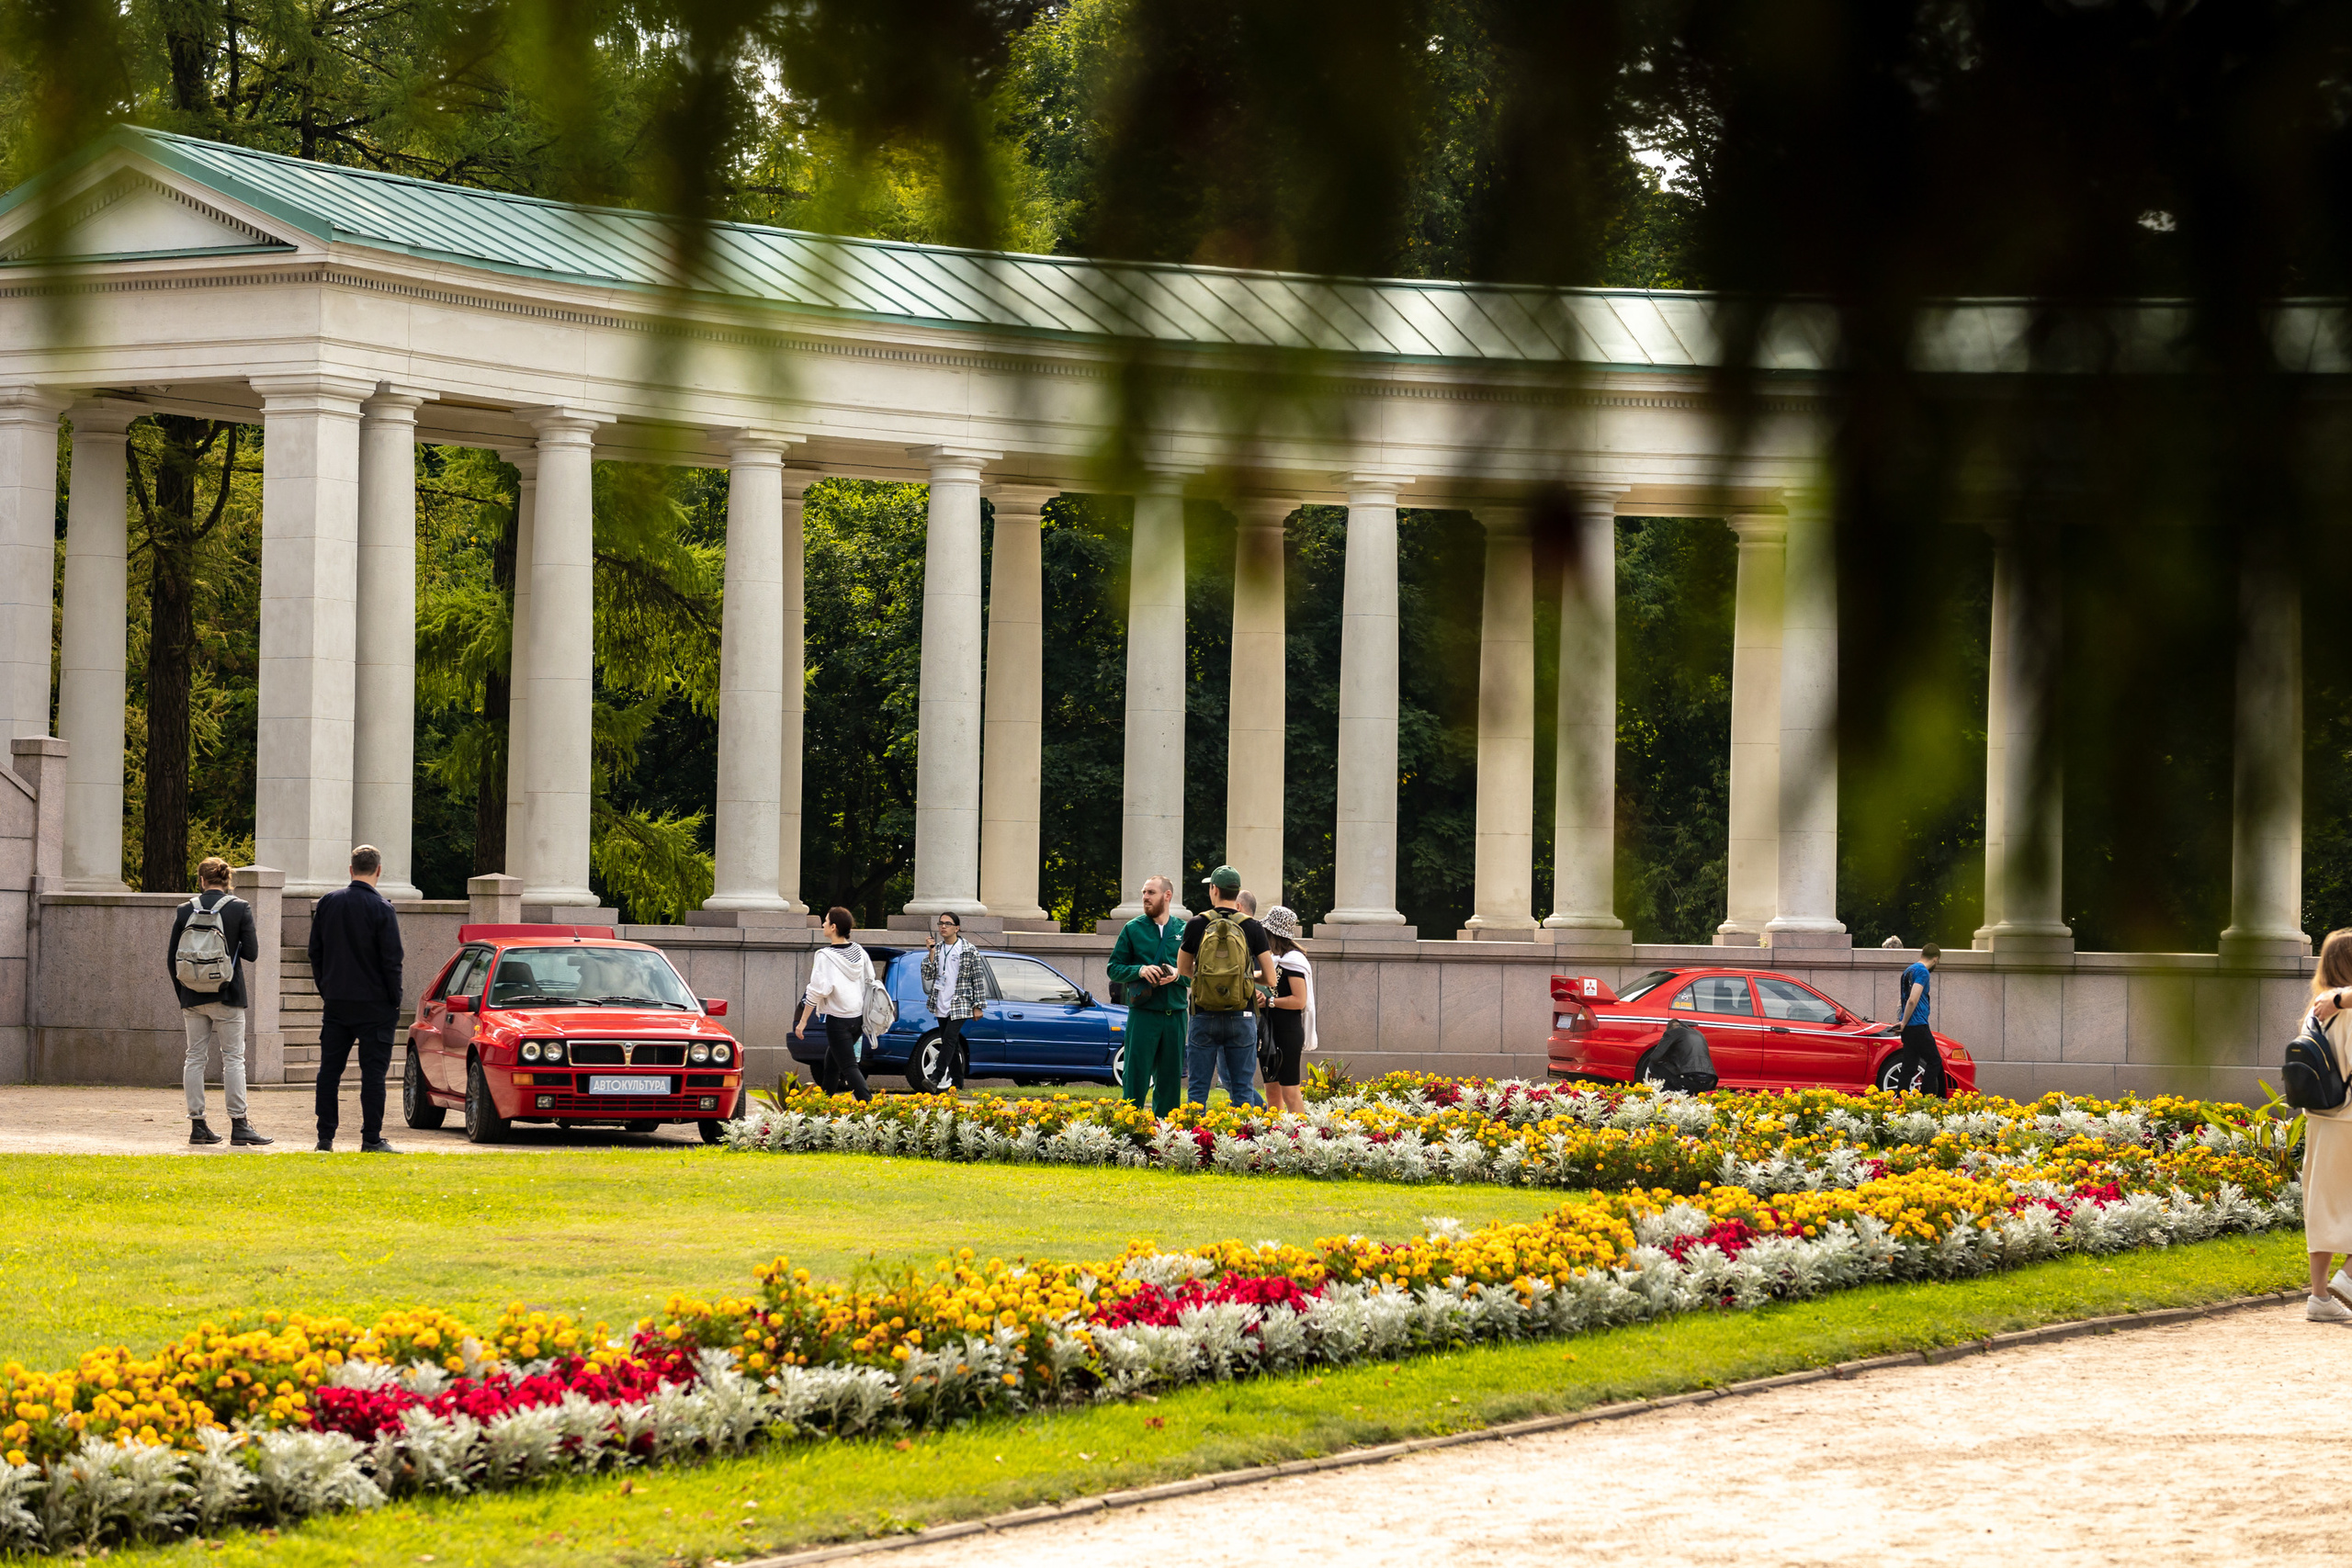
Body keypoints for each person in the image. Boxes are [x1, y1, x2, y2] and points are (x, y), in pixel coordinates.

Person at [168, 856, 269, 1146]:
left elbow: (171, 959)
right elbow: (251, 953)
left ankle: (198, 1126)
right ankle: (240, 1125)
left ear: (201, 880)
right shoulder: (239, 908)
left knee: (194, 1058)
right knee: (233, 1058)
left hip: (192, 996)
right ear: (227, 880)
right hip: (227, 995)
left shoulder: (185, 909)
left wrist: (185, 996)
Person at [310, 845, 405, 1153]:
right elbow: (392, 960)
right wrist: (394, 999)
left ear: (351, 869)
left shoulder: (328, 903)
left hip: (337, 1001)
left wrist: (327, 988)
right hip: (376, 1004)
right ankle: (371, 1138)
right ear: (379, 870)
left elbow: (316, 952)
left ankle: (325, 1138)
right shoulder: (383, 909)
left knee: (329, 1071)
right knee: (373, 1075)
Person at [1178, 864, 1278, 1108]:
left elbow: (1183, 969)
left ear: (1214, 889)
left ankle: (1193, 1143)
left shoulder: (1196, 924)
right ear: (1237, 892)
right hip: (1241, 1015)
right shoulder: (1253, 927)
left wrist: (1209, 981)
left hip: (1203, 1014)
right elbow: (1271, 978)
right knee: (1243, 1090)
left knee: (1198, 1090)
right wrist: (1243, 978)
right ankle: (1246, 1143)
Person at [2300, 931, 2352, 1320]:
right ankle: (2348, 1277)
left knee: (2323, 1204)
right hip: (2351, 1116)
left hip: (2320, 1119)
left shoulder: (2315, 1011)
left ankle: (2320, 1298)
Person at [1107, 875, 1187, 1115]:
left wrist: (1177, 974)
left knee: (1170, 1081)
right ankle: (1130, 1132)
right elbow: (1113, 968)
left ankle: (1166, 1136)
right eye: (1144, 892)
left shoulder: (1184, 930)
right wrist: (1140, 970)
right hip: (1143, 1015)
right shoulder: (1132, 929)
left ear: (1167, 896)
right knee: (1135, 1077)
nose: (1145, 897)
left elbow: (1199, 973)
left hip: (1176, 1016)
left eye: (1151, 892)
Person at [796, 906, 874, 1101]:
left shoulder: (825, 956)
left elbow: (817, 989)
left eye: (826, 920)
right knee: (832, 1062)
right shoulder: (859, 951)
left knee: (848, 1066)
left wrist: (803, 1021)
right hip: (857, 1018)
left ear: (833, 927)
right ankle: (824, 1102)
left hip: (837, 1020)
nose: (823, 924)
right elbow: (870, 979)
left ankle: (870, 1106)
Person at [1258, 905, 1315, 1114]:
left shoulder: (1293, 961)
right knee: (1271, 1090)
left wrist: (1270, 1002)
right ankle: (1277, 1136)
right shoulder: (1274, 959)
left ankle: (1301, 1138)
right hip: (1269, 1031)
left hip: (1287, 1032)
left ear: (1272, 933)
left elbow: (1299, 1001)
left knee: (1290, 1091)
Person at [921, 911, 985, 1091]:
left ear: (957, 928)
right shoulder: (938, 949)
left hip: (960, 1002)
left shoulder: (968, 949)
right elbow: (927, 975)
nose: (943, 926)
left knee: (948, 1039)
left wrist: (978, 1005)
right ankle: (957, 1083)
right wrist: (931, 953)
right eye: (941, 923)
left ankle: (935, 1078)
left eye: (948, 924)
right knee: (952, 1043)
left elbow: (977, 978)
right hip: (941, 1001)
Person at [1896, 942, 1944, 1094]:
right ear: (1935, 959)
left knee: (1909, 1065)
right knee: (1935, 1061)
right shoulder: (1923, 972)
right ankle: (1925, 1099)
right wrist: (1904, 1022)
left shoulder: (1908, 970)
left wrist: (1902, 1020)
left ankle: (1899, 1098)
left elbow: (1901, 1000)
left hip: (1909, 1027)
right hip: (1918, 1024)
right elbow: (1912, 1000)